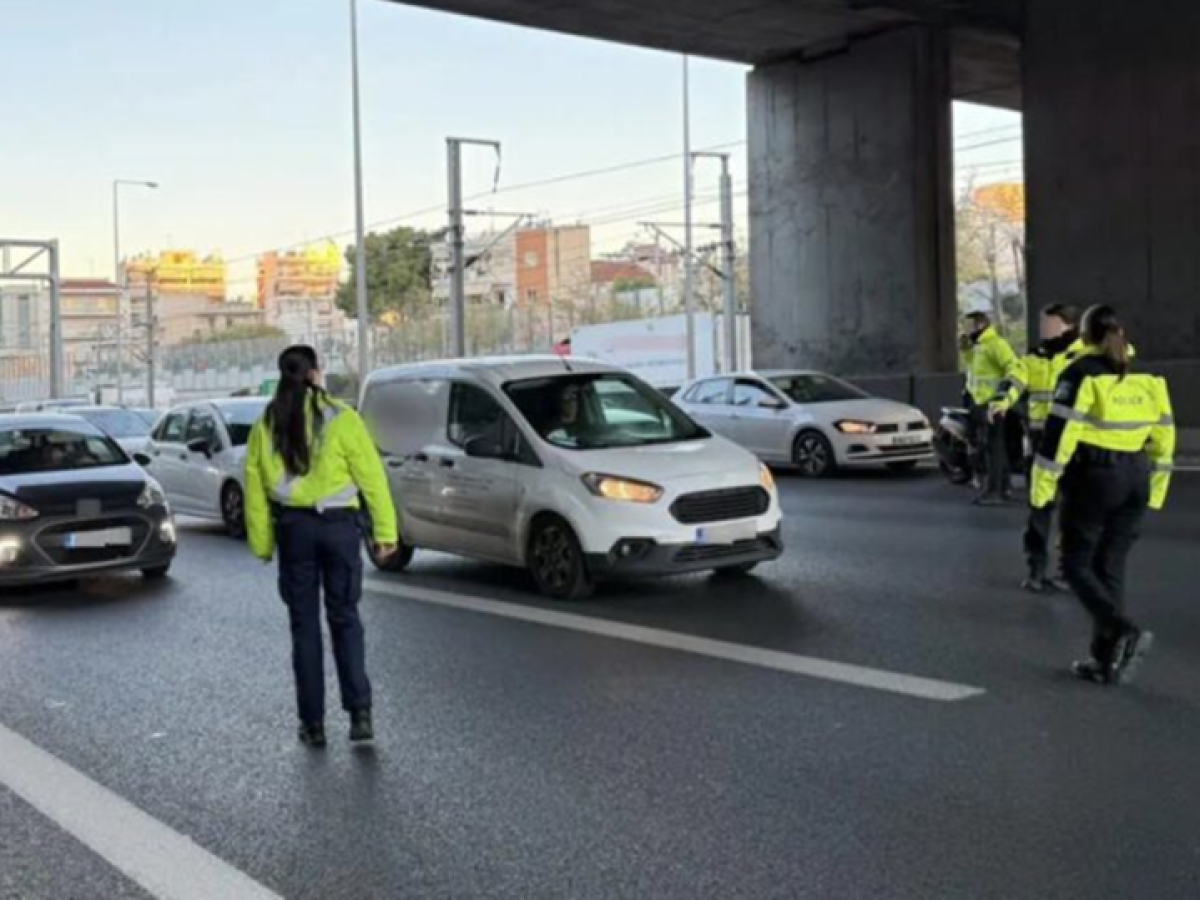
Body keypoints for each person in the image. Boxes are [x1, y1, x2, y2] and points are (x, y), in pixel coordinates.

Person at [245, 346, 398, 746]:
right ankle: (360, 714)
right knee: (345, 619)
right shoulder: (343, 418)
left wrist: (262, 543)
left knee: (304, 629)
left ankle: (312, 724)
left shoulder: (267, 422)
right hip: (340, 529)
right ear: (316, 373)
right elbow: (372, 479)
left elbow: (255, 486)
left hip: (294, 530)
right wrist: (385, 534)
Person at [1030, 305, 1174, 685]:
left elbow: (1059, 435)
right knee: (1110, 567)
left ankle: (1121, 628)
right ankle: (1106, 660)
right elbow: (1164, 438)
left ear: (1084, 336)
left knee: (1075, 564)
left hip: (1096, 477)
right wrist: (1156, 491)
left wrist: (1041, 489)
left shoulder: (1079, 374)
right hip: (1137, 477)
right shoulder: (1145, 378)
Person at [993, 303, 1082, 591]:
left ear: (1067, 325)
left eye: (1049, 324)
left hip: (1074, 444)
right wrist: (1000, 401)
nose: (1043, 329)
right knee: (1039, 509)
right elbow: (1013, 381)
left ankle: (1068, 572)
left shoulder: (1083, 356)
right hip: (1040, 442)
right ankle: (1036, 570)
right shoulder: (1033, 358)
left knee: (1074, 513)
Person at [960, 311, 1021, 505]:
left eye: (968, 325)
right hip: (979, 403)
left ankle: (995, 491)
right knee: (994, 447)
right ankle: (1003, 488)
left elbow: (1013, 367)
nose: (964, 329)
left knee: (993, 449)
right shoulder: (978, 346)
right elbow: (975, 371)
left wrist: (1001, 397)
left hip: (992, 404)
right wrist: (966, 351)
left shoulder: (996, 344)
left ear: (979, 325)